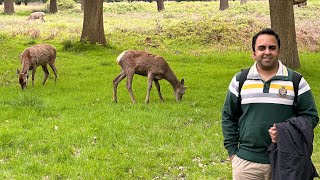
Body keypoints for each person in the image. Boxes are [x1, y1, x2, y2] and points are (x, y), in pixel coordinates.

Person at [221, 28, 319, 180]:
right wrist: (233, 152)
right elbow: (228, 116)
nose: (267, 52)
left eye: (272, 48)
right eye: (261, 48)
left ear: (279, 51)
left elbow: (311, 116)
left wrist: (285, 130)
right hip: (247, 163)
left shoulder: (296, 81)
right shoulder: (240, 80)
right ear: (254, 53)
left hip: (286, 161)